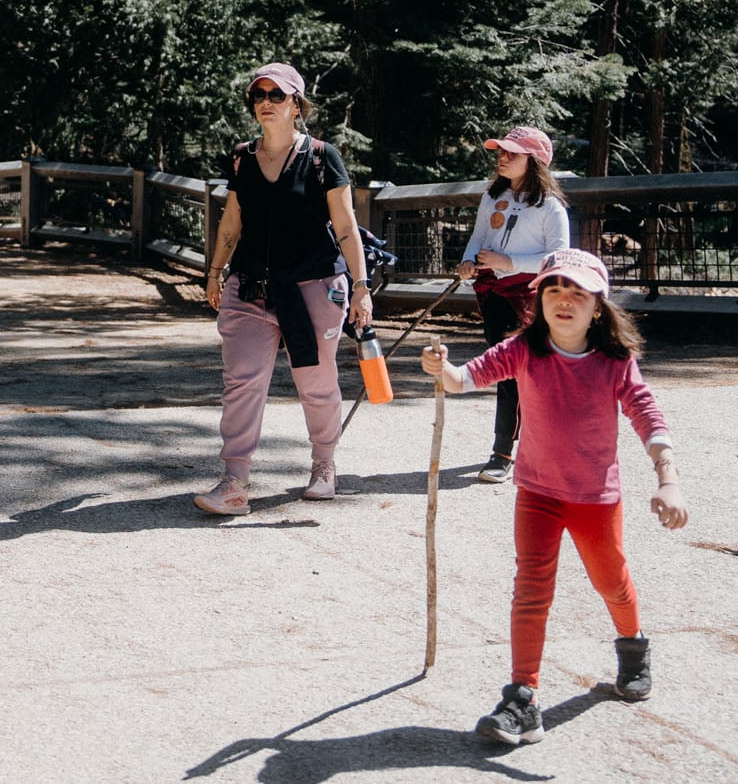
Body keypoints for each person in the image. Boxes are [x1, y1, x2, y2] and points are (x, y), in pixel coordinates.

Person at [422, 248, 688, 747]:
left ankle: (632, 648)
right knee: (531, 589)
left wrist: (667, 477)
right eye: (553, 288)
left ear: (598, 306)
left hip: (594, 498)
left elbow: (647, 415)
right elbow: (462, 380)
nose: (564, 299)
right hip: (538, 493)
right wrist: (440, 366)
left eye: (577, 292)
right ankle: (523, 698)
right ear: (538, 297)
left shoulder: (614, 361)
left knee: (611, 581)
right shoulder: (523, 348)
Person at [195, 62, 373, 514]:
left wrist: (361, 286)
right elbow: (231, 220)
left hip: (314, 285)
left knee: (315, 382)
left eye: (278, 95)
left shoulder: (321, 156)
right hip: (250, 286)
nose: (267, 102)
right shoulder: (241, 157)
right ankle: (234, 482)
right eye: (260, 95)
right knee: (242, 381)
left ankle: (324, 466)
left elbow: (347, 227)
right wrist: (215, 272)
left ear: (297, 104)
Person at [454, 126, 571, 483]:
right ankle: (508, 450)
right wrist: (468, 261)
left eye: (512, 153)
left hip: (531, 299)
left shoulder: (551, 207)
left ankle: (505, 452)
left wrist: (510, 263)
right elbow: (479, 236)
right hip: (491, 293)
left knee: (525, 373)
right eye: (501, 152)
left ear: (534, 161)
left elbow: (559, 256)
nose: (502, 158)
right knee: (507, 370)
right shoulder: (493, 196)